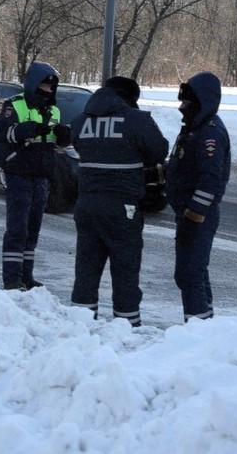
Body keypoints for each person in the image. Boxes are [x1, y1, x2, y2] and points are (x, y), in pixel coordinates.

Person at [69, 76, 168, 327]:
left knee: (87, 268)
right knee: (125, 268)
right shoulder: (137, 120)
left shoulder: (81, 121)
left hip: (87, 204)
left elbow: (79, 146)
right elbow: (159, 151)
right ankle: (127, 328)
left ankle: (82, 326)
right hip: (122, 205)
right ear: (129, 98)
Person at [0, 61, 71, 290]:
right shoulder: (14, 105)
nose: (48, 90)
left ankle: (26, 276)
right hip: (19, 173)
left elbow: (59, 142)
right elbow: (5, 133)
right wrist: (26, 129)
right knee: (17, 229)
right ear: (34, 84)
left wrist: (63, 135)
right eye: (44, 86)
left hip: (41, 176)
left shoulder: (54, 110)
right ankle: (12, 279)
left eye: (51, 87)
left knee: (32, 230)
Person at [164, 72, 230, 322]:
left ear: (202, 101)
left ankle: (198, 328)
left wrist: (194, 217)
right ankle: (205, 326)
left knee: (190, 274)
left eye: (187, 103)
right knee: (192, 273)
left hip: (199, 215)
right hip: (189, 213)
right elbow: (182, 165)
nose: (182, 107)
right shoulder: (195, 128)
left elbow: (210, 179)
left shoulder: (209, 133)